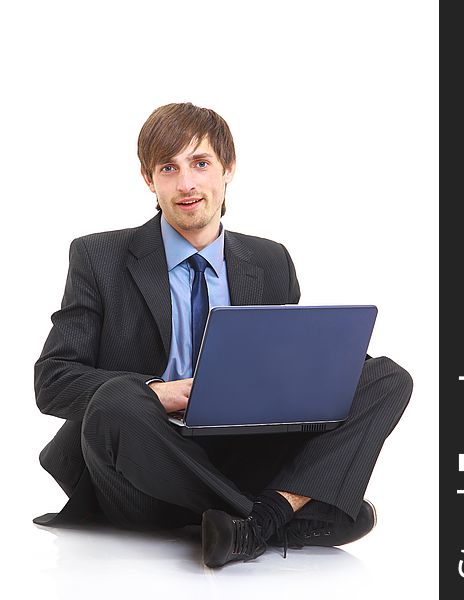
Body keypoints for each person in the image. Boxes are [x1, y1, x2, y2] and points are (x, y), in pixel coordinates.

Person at [34, 102, 413, 568]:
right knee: (117, 401)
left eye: (200, 163)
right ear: (148, 180)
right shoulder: (98, 256)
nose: (187, 184)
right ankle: (283, 514)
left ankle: (253, 524)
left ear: (227, 168)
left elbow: (293, 373)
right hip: (143, 468)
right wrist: (162, 393)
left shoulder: (271, 261)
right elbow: (52, 381)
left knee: (386, 376)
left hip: (243, 451)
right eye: (168, 168)